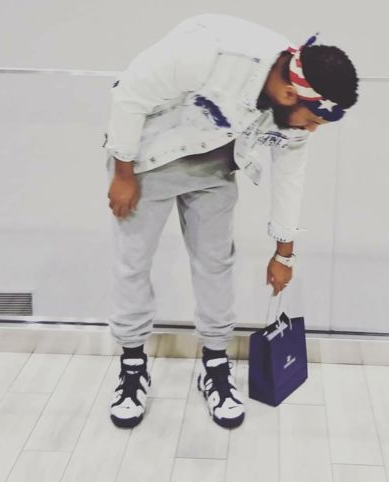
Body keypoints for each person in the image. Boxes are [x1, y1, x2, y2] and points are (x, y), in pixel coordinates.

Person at [104, 13, 358, 430]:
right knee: (133, 262)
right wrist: (123, 172)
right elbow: (130, 94)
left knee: (216, 264)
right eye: (313, 121)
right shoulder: (210, 52)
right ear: (291, 93)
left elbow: (290, 176)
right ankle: (132, 365)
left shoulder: (296, 102)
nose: (312, 131)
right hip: (147, 158)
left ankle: (215, 364)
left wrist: (284, 254)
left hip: (214, 166)